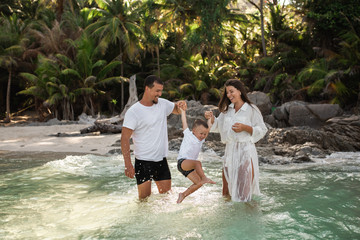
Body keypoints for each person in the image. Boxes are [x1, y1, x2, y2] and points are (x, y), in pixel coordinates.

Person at [121, 75, 186, 200]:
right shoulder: (134, 112)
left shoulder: (162, 104)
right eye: (157, 91)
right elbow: (124, 139)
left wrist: (180, 104)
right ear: (147, 89)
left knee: (166, 198)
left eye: (161, 91)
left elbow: (177, 109)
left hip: (161, 160)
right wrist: (128, 164)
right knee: (144, 201)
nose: (159, 94)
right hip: (143, 162)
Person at [205, 79, 267, 202]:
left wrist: (245, 128)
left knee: (244, 190)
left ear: (239, 91)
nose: (229, 95)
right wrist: (212, 118)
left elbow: (262, 129)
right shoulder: (228, 110)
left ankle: (248, 217)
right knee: (226, 190)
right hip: (229, 151)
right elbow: (218, 126)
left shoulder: (251, 109)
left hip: (245, 151)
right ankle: (229, 217)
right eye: (227, 92)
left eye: (231, 91)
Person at [176, 107, 216, 203]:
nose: (203, 136)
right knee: (197, 163)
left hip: (189, 167)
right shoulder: (188, 135)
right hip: (183, 162)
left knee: (198, 183)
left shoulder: (201, 140)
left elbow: (208, 126)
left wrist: (210, 117)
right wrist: (183, 111)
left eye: (205, 134)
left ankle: (183, 195)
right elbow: (184, 122)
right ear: (194, 130)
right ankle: (204, 177)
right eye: (201, 133)